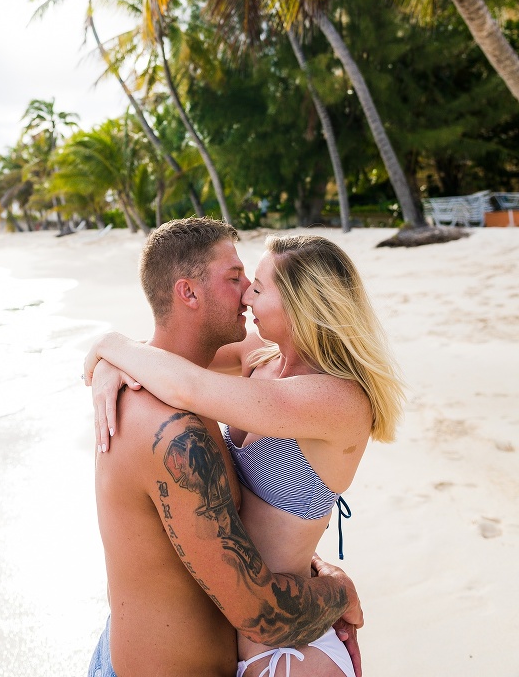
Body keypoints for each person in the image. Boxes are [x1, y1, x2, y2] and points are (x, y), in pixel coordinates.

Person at [86, 227, 404, 677]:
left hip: (283, 647)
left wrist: (110, 345)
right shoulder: (261, 357)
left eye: (256, 285)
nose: (247, 298)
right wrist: (109, 362)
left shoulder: (338, 401)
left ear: (299, 304)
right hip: (239, 625)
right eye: (239, 280)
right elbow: (170, 356)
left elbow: (186, 384)